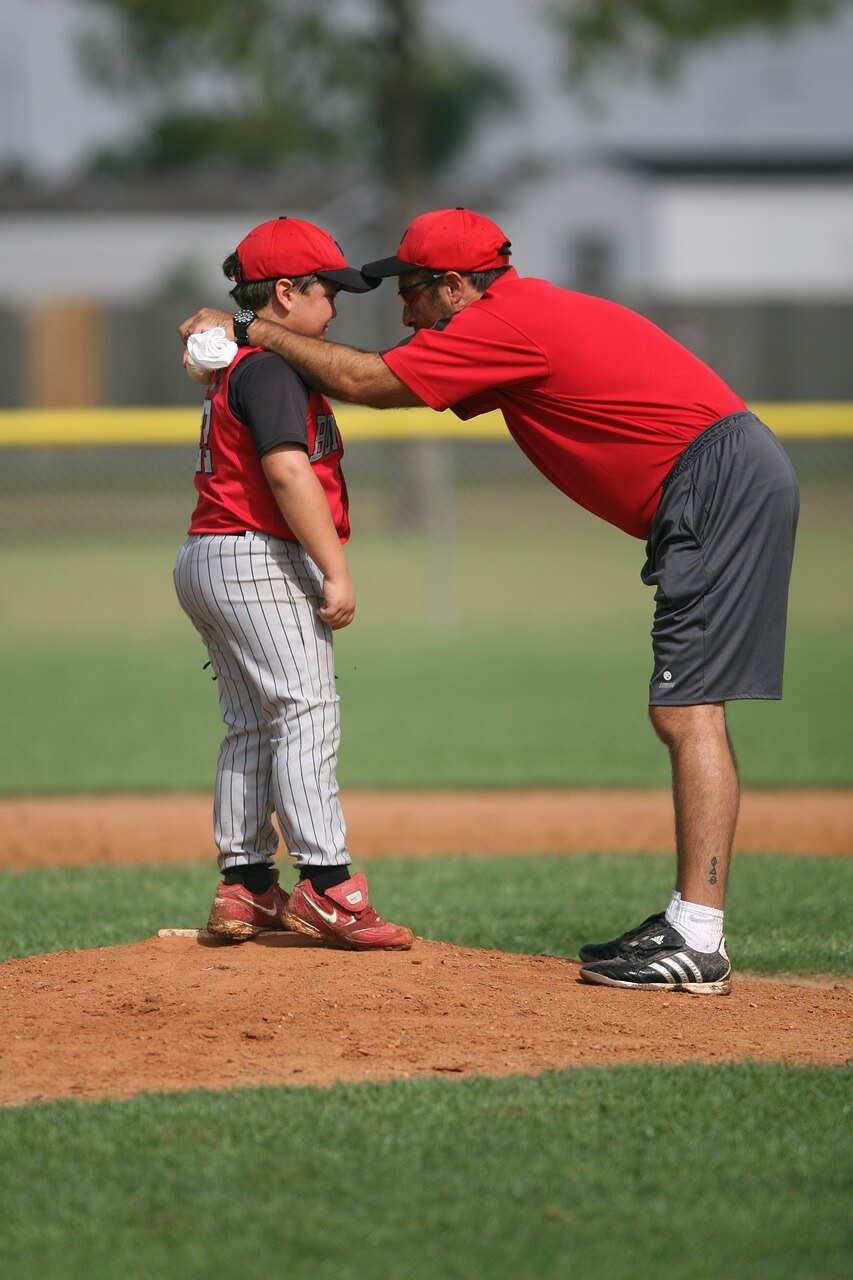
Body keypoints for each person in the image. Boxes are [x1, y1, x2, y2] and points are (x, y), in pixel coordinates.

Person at [180, 206, 799, 993]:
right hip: (717, 480)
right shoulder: (519, 315)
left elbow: (369, 379)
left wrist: (252, 332)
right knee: (684, 706)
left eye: (411, 292)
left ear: (453, 287)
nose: (403, 312)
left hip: (716, 484)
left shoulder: (504, 322)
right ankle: (690, 920)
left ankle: (698, 937)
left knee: (688, 708)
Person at [174, 215, 413, 951]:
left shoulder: (244, 366)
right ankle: (327, 885)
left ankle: (244, 886)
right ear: (285, 292)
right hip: (256, 554)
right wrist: (335, 570)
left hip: (207, 553)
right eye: (325, 291)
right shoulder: (272, 368)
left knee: (252, 722)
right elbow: (286, 470)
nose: (335, 307)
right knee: (306, 710)